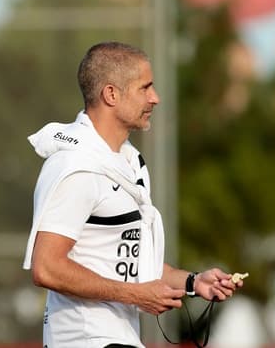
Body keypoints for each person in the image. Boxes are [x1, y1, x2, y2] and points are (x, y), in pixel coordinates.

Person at [22, 41, 244, 348]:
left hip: (120, 339)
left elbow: (133, 267)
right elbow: (46, 267)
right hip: (83, 340)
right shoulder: (76, 166)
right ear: (111, 94)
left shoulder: (129, 164)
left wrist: (194, 282)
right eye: (145, 88)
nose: (155, 98)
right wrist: (136, 295)